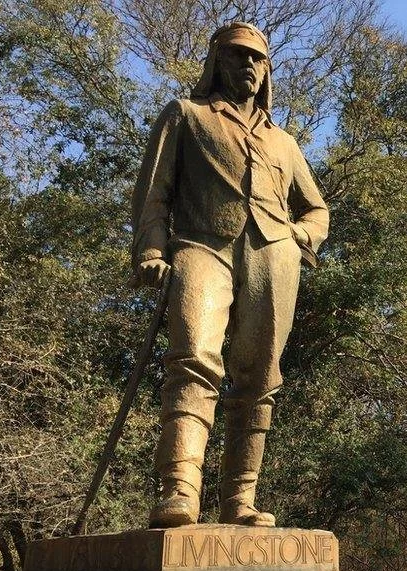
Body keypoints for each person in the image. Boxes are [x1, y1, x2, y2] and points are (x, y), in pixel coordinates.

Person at [130, 22, 328, 528]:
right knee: (193, 358)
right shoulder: (186, 116)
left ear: (267, 72)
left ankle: (239, 501)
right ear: (217, 61)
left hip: (273, 258)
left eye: (257, 59)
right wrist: (152, 247)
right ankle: (179, 490)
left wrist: (301, 237)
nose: (248, 66)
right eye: (238, 56)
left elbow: (317, 210)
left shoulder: (283, 142)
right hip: (202, 246)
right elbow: (155, 193)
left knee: (260, 377)